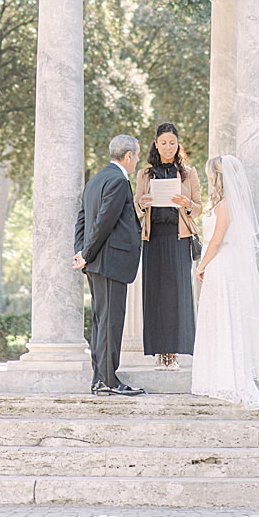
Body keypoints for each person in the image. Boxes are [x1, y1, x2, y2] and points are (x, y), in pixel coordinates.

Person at [191, 154, 259, 409]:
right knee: (216, 319)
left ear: (218, 177)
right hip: (218, 264)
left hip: (222, 265)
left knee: (225, 318)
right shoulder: (221, 204)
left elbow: (216, 240)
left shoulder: (226, 206)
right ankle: (217, 376)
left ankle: (231, 378)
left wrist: (201, 265)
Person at [73, 133, 144, 396]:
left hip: (96, 263)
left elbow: (82, 220)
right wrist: (87, 254)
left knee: (102, 321)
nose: (137, 160)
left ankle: (100, 378)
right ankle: (108, 382)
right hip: (109, 262)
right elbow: (104, 222)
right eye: (136, 155)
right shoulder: (117, 180)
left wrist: (80, 252)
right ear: (128, 156)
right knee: (110, 322)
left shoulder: (96, 180)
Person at [136, 123, 199, 367]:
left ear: (178, 144)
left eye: (172, 142)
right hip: (152, 240)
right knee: (155, 295)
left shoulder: (188, 173)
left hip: (179, 238)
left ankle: (174, 352)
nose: (168, 147)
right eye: (163, 143)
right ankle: (160, 353)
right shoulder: (144, 174)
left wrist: (187, 204)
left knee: (178, 296)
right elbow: (135, 207)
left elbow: (199, 206)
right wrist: (143, 202)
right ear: (156, 145)